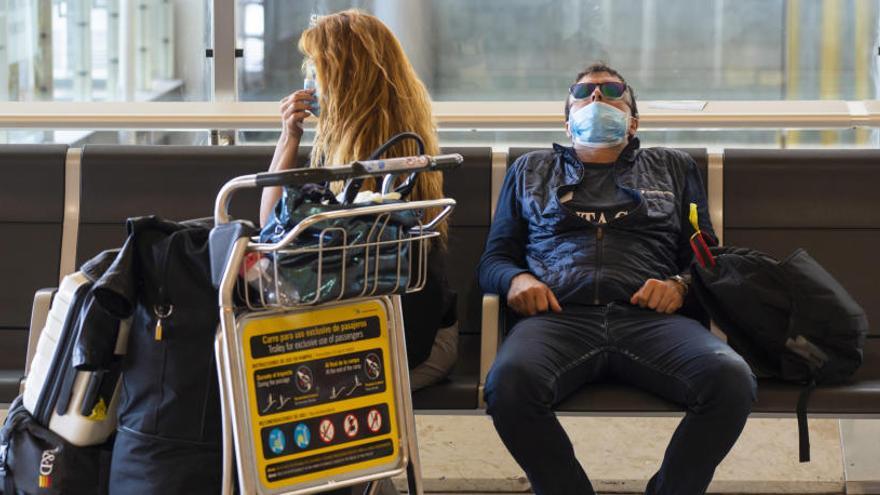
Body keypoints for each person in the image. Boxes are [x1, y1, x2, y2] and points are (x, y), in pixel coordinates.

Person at [477, 63, 757, 495]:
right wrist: (516, 281)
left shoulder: (673, 168)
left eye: (611, 92)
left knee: (731, 381)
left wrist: (680, 286)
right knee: (508, 386)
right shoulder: (530, 170)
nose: (596, 99)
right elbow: (494, 260)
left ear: (633, 120)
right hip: (557, 319)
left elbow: (706, 257)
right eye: (584, 93)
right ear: (567, 119)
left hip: (650, 321)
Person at [259, 10, 458, 392]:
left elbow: (275, 230)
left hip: (415, 336)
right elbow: (273, 226)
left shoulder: (398, 154)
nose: (310, 83)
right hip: (359, 319)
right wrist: (289, 136)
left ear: (344, 77)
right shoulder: (338, 149)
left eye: (317, 71)